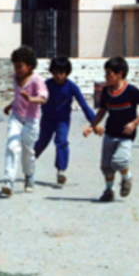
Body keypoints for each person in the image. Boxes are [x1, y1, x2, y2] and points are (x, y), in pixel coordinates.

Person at [83, 56, 139, 202]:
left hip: (126, 134)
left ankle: (127, 177)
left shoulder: (131, 91)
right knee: (106, 165)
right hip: (110, 132)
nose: (106, 77)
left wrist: (134, 123)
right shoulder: (106, 92)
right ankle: (109, 190)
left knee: (119, 161)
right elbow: (102, 110)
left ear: (119, 74)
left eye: (109, 73)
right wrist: (92, 126)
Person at [34, 57, 95, 185]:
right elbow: (33, 97)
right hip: (47, 120)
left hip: (62, 120)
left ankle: (61, 170)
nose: (58, 76)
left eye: (61, 73)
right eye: (55, 72)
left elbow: (83, 105)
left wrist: (94, 122)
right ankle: (30, 161)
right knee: (42, 142)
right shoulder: (47, 85)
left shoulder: (72, 87)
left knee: (61, 142)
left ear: (67, 73)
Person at [1, 45, 49, 197]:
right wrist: (10, 105)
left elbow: (43, 98)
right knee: (11, 145)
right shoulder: (15, 78)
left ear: (29, 65)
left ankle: (29, 175)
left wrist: (31, 98)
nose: (17, 69)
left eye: (20, 66)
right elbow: (17, 97)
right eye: (15, 66)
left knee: (27, 151)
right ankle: (9, 181)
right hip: (16, 117)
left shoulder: (36, 80)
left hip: (31, 120)